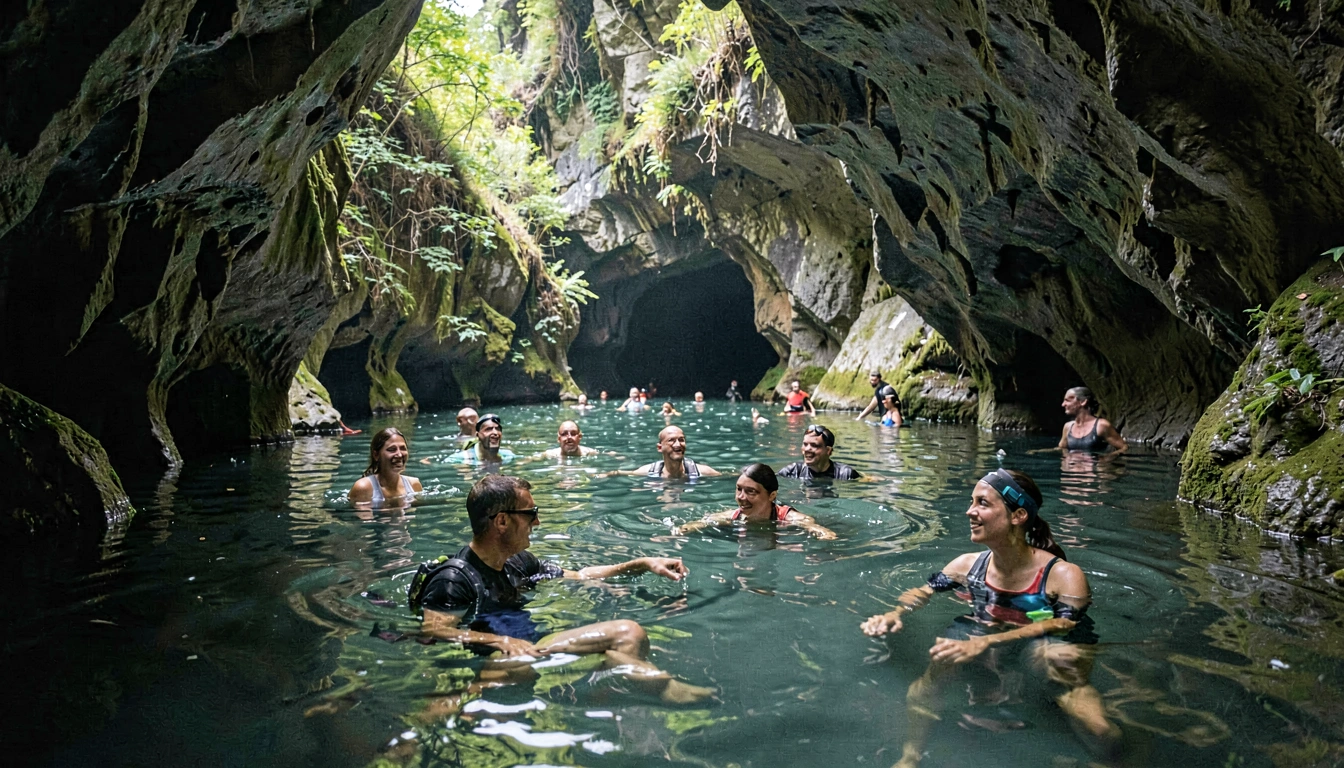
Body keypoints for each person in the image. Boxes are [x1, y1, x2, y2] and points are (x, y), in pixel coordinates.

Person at [860, 469, 1118, 766]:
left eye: (982, 503)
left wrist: (989, 642)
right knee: (940, 659)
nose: (970, 511)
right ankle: (910, 756)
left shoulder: (1063, 575)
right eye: (972, 502)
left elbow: (1063, 623)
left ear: (1018, 516)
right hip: (984, 630)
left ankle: (1110, 757)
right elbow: (923, 591)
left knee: (1063, 667)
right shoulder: (966, 565)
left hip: (1044, 640)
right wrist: (895, 613)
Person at [414, 475, 711, 703]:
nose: (537, 521)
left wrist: (644, 563)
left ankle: (617, 685)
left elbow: (581, 575)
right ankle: (654, 686)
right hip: (496, 662)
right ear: (502, 521)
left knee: (629, 632)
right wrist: (496, 640)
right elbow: (434, 631)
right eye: (531, 513)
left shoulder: (518, 562)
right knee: (519, 662)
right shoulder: (453, 579)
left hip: (533, 645)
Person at [672, 463, 836, 539]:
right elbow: (702, 522)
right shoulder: (733, 516)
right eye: (739, 489)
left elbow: (810, 523)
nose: (741, 497)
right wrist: (682, 530)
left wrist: (821, 533)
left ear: (772, 496)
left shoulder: (787, 517)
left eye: (751, 492)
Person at [349, 427, 423, 507]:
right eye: (392, 449)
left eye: (403, 448)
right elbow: (363, 518)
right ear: (376, 455)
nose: (399, 454)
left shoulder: (414, 484)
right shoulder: (363, 488)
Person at [628, 425, 722, 479]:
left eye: (681, 440)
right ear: (659, 448)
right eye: (671, 440)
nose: (678, 444)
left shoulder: (705, 472)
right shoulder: (645, 472)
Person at [1056, 386, 1127, 453]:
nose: (1063, 404)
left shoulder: (1101, 425)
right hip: (1071, 465)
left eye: (1067, 400)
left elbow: (1124, 447)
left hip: (1093, 465)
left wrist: (1108, 458)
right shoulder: (1068, 427)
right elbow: (1062, 448)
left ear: (1083, 402)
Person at [778, 425, 861, 480]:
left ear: (828, 451)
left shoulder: (845, 474)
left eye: (814, 445)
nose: (807, 449)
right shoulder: (791, 471)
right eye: (805, 444)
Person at [447, 413, 515, 464]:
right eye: (488, 429)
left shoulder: (508, 457)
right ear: (477, 435)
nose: (495, 432)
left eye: (498, 429)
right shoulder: (459, 460)